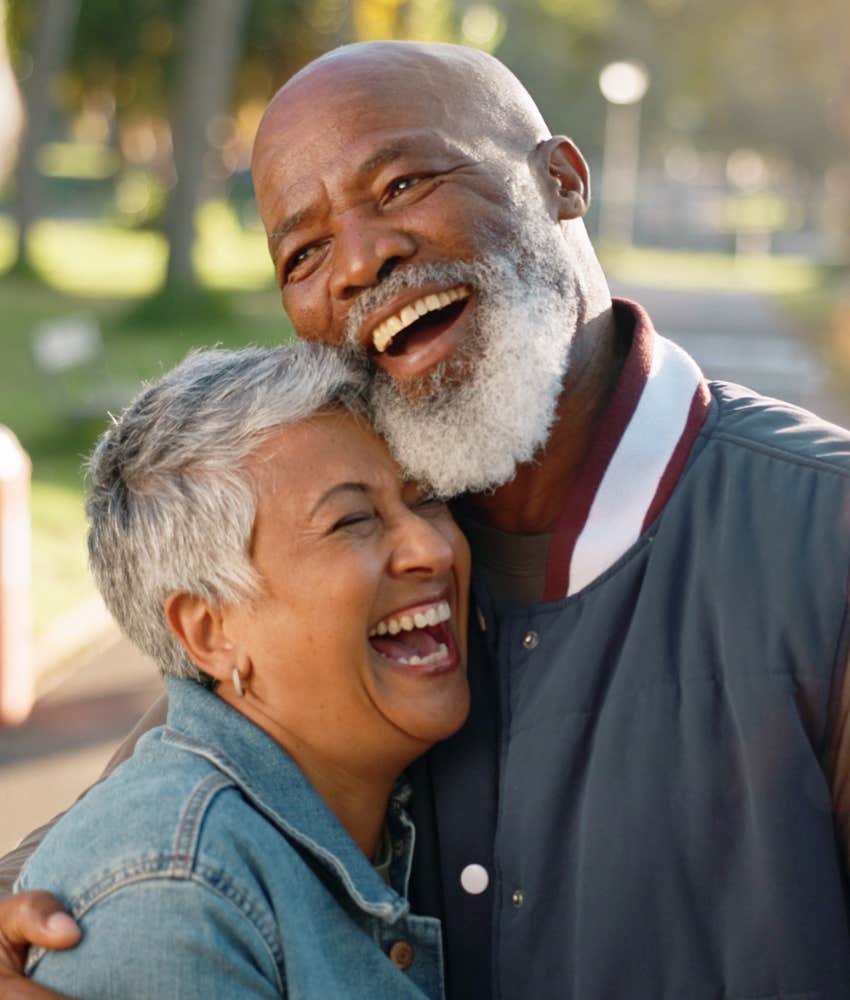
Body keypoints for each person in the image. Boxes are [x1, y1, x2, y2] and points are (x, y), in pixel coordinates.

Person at [3, 39, 850, 998]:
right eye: (305, 252)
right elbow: (172, 799)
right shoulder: (336, 594)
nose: (362, 260)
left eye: (403, 184)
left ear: (562, 182)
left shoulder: (825, 540)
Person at [12, 342, 471, 997]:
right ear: (210, 631)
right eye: (352, 521)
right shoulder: (175, 895)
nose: (432, 548)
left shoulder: (393, 812)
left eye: (425, 500)